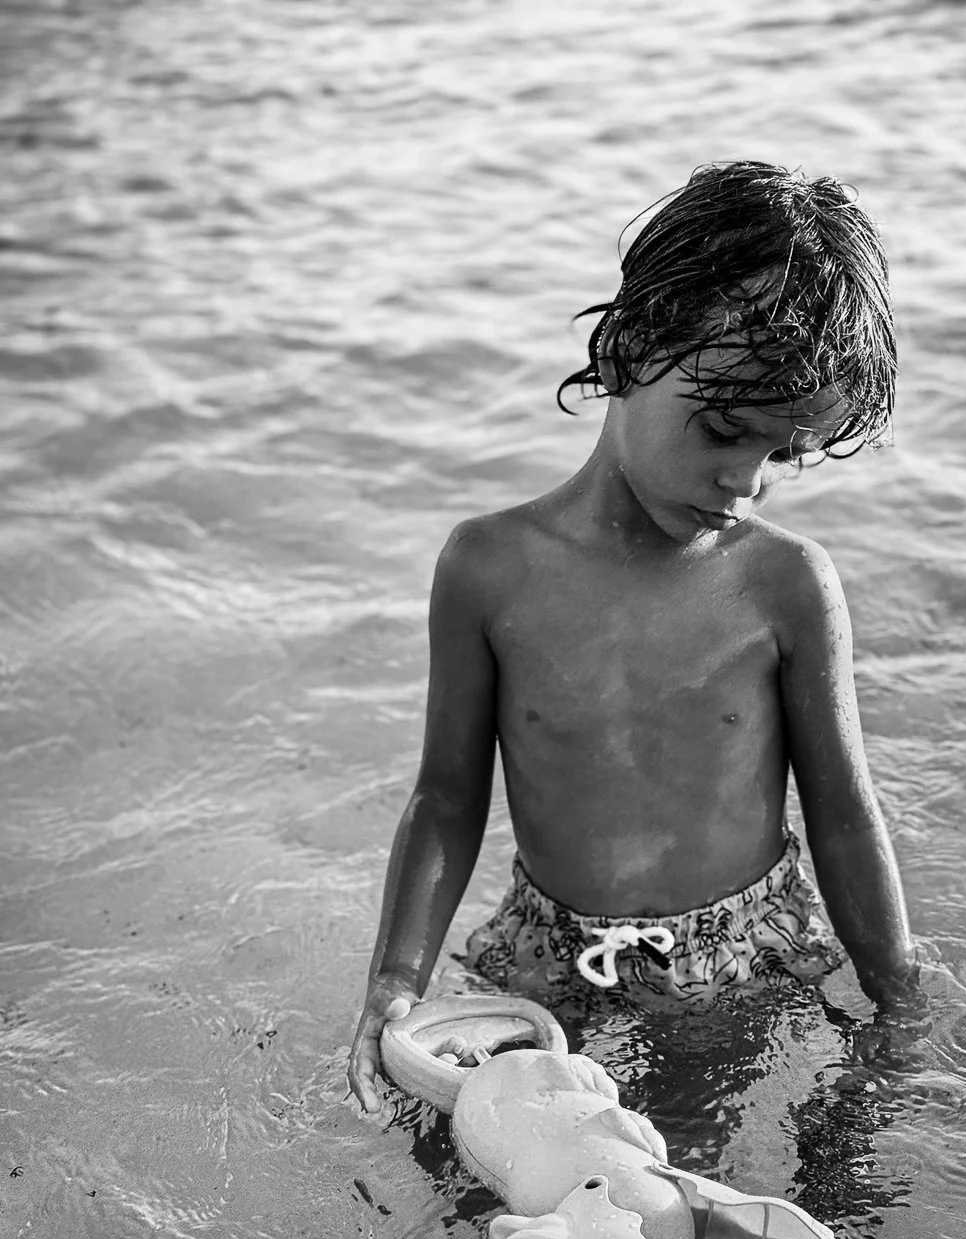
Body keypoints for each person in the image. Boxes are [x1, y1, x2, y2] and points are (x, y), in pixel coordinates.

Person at [348, 160, 924, 1115]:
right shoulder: (487, 568)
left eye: (786, 453)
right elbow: (446, 797)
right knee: (485, 1172)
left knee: (678, 1178)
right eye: (725, 430)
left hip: (733, 953)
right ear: (624, 355)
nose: (747, 481)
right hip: (549, 947)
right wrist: (394, 981)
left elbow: (843, 813)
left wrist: (895, 989)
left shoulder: (782, 583)